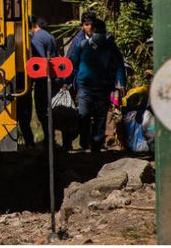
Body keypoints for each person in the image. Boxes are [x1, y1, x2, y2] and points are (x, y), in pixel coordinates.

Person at [68, 18, 126, 152]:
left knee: (84, 114)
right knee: (100, 116)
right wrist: (121, 83)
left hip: (86, 85)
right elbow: (119, 66)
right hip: (101, 86)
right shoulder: (110, 46)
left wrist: (67, 82)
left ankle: (86, 142)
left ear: (93, 30)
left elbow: (73, 66)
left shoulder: (82, 45)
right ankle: (95, 143)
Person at [17, 16, 61, 148]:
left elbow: (40, 62)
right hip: (52, 78)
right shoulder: (49, 36)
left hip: (43, 80)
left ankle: (47, 141)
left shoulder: (36, 39)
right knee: (48, 111)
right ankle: (50, 140)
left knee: (42, 112)